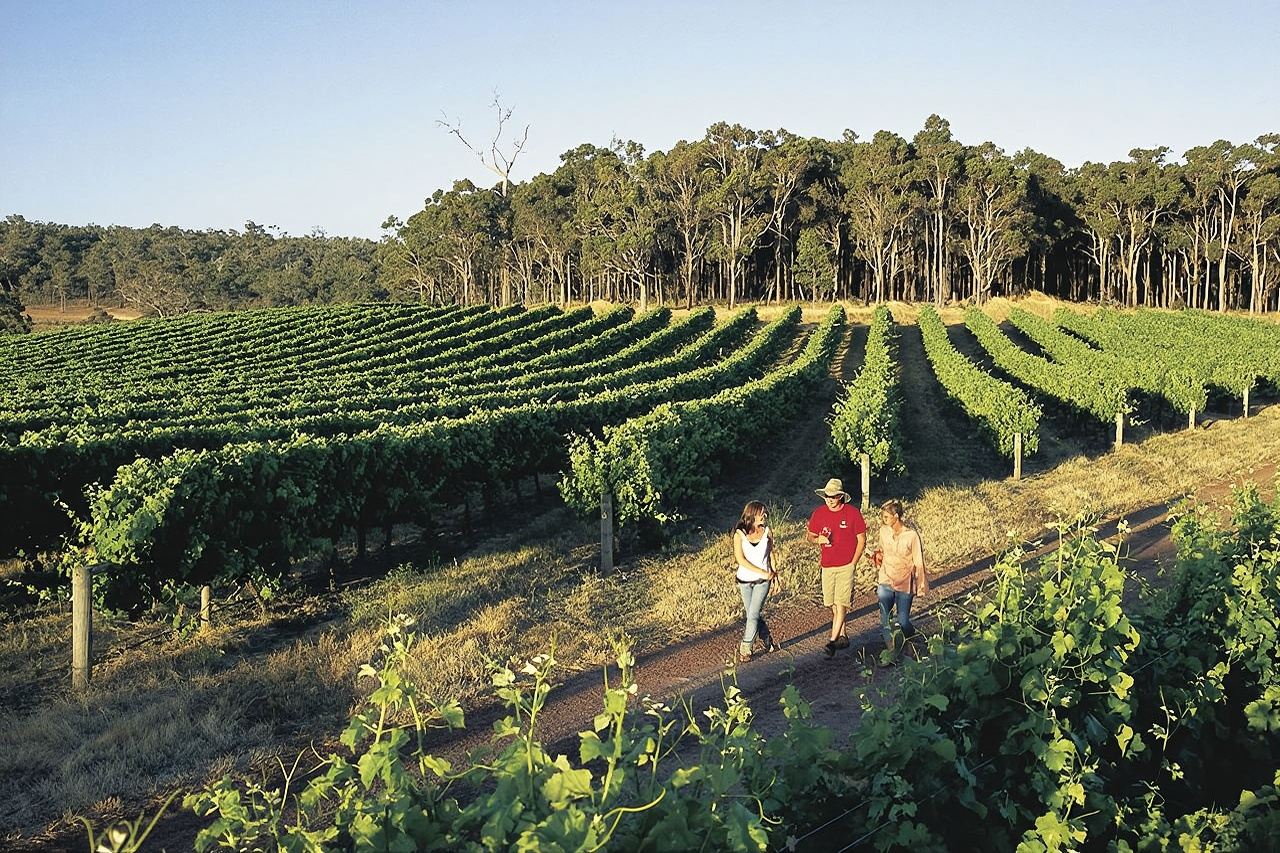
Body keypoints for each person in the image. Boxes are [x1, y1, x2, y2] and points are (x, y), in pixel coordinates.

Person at [806, 478, 866, 658]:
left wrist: (853, 563)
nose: (829, 499)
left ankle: (832, 642)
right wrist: (817, 540)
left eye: (833, 496)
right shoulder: (819, 513)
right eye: (826, 496)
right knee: (832, 604)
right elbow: (810, 535)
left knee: (841, 604)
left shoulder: (852, 513)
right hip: (827, 565)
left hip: (846, 565)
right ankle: (843, 634)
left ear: (840, 496)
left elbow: (861, 540)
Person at [870, 499, 929, 660]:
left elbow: (918, 561)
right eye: (883, 517)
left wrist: (921, 584)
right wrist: (877, 555)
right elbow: (882, 549)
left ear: (896, 516)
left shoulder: (911, 536)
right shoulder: (884, 531)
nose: (884, 520)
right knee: (885, 618)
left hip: (905, 582)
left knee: (903, 621)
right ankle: (892, 651)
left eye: (887, 517)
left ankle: (910, 640)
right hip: (886, 578)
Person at [733, 500, 780, 663]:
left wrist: (774, 576)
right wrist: (761, 571)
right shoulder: (739, 534)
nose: (764, 516)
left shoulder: (767, 532)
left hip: (762, 581)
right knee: (753, 615)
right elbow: (740, 559)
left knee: (752, 615)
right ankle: (767, 638)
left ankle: (746, 648)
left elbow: (771, 554)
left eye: (765, 513)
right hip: (744, 580)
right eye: (761, 513)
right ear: (752, 514)